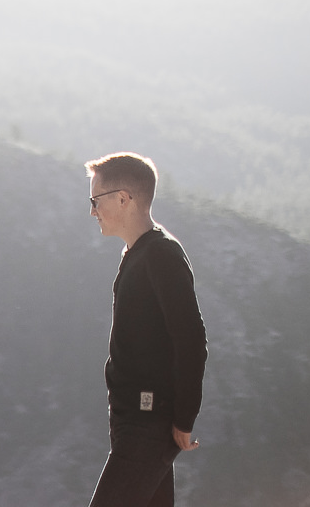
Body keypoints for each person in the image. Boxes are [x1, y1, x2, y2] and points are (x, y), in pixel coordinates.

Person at [84, 152, 207, 507]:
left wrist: (184, 418)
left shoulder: (161, 254)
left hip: (148, 423)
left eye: (96, 201)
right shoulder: (137, 253)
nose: (92, 211)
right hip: (134, 423)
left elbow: (191, 339)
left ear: (123, 198)